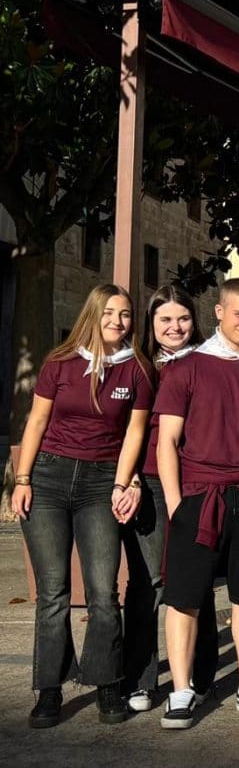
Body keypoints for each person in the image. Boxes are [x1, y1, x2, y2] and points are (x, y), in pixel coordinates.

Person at [11, 284, 153, 728]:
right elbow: (36, 421)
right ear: (93, 313)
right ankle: (49, 690)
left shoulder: (138, 371)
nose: (118, 320)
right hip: (49, 478)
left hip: (99, 482)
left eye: (126, 314)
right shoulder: (60, 362)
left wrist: (120, 482)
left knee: (102, 592)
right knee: (52, 593)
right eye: (110, 312)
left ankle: (107, 681)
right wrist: (22, 479)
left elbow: (135, 432)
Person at [156, 277, 239, 727]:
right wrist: (177, 504)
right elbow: (167, 441)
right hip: (199, 496)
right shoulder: (186, 369)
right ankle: (180, 691)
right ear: (219, 311)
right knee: (184, 598)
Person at [122, 285, 219, 715]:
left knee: (196, 580)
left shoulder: (210, 363)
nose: (175, 327)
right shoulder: (140, 367)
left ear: (195, 321)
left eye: (182, 319)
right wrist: (129, 481)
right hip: (148, 481)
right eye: (165, 320)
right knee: (148, 581)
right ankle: (141, 680)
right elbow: (128, 431)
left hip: (198, 480)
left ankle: (201, 677)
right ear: (151, 324)